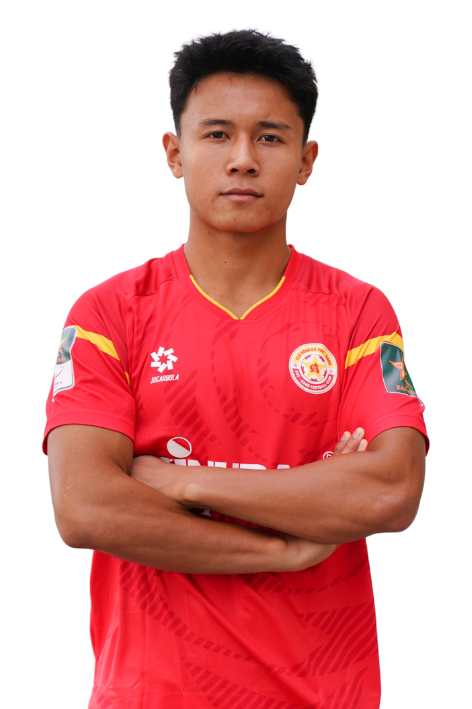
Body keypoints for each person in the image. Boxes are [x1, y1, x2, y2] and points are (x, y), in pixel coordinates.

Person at [44, 29, 427, 709]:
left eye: (270, 137)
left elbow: (390, 492)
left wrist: (178, 480)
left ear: (306, 160)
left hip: (323, 694)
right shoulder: (109, 314)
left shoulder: (357, 313)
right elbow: (85, 506)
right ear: (175, 152)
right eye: (218, 134)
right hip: (150, 695)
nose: (243, 159)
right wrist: (289, 542)